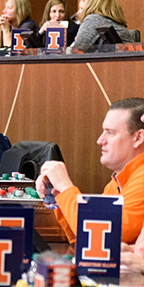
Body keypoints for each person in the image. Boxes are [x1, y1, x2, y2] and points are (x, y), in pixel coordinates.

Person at [36, 97, 144, 245]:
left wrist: (66, 187)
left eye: (110, 133)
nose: (100, 140)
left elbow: (108, 234)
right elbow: (85, 238)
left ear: (138, 138)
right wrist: (57, 193)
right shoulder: (117, 182)